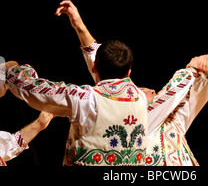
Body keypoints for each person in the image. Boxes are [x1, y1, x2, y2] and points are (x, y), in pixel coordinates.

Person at [55, 0, 208, 166]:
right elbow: (106, 69)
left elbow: (204, 83)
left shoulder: (173, 122)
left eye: (152, 92)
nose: (149, 91)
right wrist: (190, 70)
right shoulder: (139, 119)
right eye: (140, 90)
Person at [3, 43, 148, 166]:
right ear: (129, 73)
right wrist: (78, 24)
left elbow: (33, 89)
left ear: (93, 68)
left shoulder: (85, 98)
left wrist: (11, 69)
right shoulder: (142, 97)